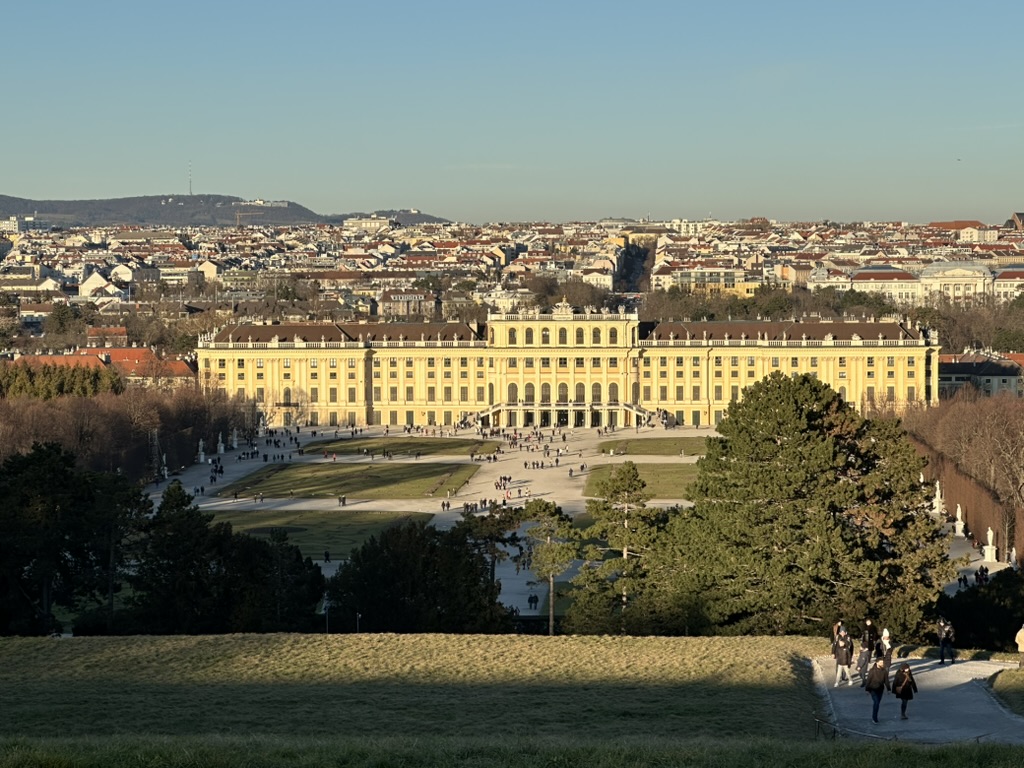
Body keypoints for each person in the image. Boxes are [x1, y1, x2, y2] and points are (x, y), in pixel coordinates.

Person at [864, 658, 890, 723]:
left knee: (877, 703)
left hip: (880, 689)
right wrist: (867, 689)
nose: (882, 664)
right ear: (877, 663)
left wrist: (888, 689)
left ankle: (875, 716)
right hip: (873, 689)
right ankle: (874, 718)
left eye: (882, 663)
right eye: (880, 663)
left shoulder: (884, 671)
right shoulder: (872, 671)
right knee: (876, 702)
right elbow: (868, 680)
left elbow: (886, 680)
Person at [857, 619, 878, 685]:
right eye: (867, 622)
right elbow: (862, 634)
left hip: (869, 643)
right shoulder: (864, 628)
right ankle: (864, 678)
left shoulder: (873, 628)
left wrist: (874, 640)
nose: (868, 623)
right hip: (865, 643)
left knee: (867, 654)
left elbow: (875, 634)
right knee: (864, 656)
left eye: (869, 622)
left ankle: (864, 680)